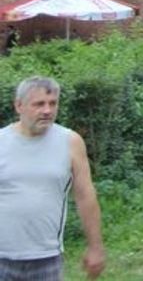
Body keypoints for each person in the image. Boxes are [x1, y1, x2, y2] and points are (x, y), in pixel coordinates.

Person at [0, 77, 105, 280]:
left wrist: (95, 247)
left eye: (52, 103)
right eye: (39, 104)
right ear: (18, 106)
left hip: (46, 257)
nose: (47, 111)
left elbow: (85, 196)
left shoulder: (70, 142)